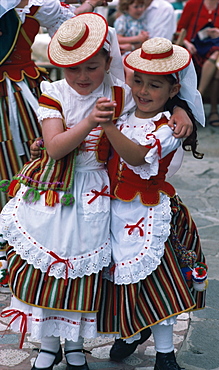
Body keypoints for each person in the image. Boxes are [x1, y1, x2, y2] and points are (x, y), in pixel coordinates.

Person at [0, 12, 136, 370]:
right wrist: (91, 121)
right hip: (55, 190)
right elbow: (56, 146)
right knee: (51, 265)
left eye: (92, 67)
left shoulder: (121, 94)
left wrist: (182, 109)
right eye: (73, 69)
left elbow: (159, 101)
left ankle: (74, 344)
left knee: (82, 267)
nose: (82, 77)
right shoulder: (55, 93)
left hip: (95, 189)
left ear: (109, 61)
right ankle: (48, 344)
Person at [95, 37, 208, 370]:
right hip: (115, 210)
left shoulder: (169, 128)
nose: (143, 91)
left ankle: (164, 353)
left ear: (173, 90)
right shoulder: (130, 108)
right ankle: (131, 332)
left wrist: (108, 127)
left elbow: (137, 156)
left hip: (147, 214)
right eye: (138, 81)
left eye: (154, 85)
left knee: (156, 279)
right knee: (120, 277)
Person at [0, 0, 112, 292]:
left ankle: (16, 247)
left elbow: (72, 32)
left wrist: (88, 5)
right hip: (19, 90)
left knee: (26, 155)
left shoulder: (38, 4)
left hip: (23, 92)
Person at [177, 0, 219, 127]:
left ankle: (198, 97)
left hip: (217, 50)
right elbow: (180, 30)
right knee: (217, 66)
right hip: (195, 48)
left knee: (217, 58)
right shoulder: (192, 5)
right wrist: (187, 43)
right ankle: (213, 110)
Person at [114, 0, 149, 85]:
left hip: (137, 51)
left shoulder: (141, 21)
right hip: (124, 54)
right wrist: (137, 38)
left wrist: (143, 39)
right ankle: (127, 95)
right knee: (131, 72)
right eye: (136, 7)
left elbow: (143, 42)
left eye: (141, 6)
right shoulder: (122, 20)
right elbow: (117, 39)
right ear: (126, 8)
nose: (140, 10)